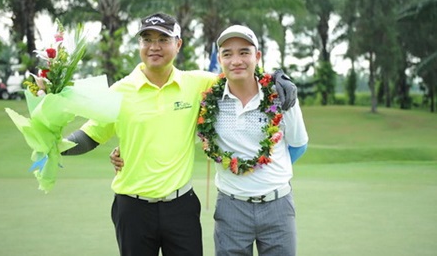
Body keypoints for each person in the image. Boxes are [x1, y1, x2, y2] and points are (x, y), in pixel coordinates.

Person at [64, 13, 298, 256]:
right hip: (132, 208)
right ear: (140, 45)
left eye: (163, 39)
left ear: (178, 44)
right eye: (147, 39)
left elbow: (239, 69)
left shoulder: (197, 83)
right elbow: (89, 136)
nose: (154, 46)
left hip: (181, 207)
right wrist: (53, 146)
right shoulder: (119, 90)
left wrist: (279, 77)